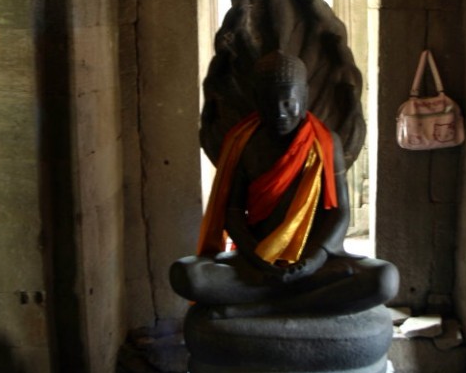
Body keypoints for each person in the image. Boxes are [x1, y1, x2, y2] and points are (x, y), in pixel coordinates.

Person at [170, 51, 398, 317]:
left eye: (288, 103)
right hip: (257, 261)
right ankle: (300, 300)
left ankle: (261, 307)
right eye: (269, 104)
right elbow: (231, 213)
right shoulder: (244, 143)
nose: (279, 113)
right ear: (256, 100)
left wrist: (314, 260)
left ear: (304, 96)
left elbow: (339, 211)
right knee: (186, 274)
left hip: (313, 260)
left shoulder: (325, 143)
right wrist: (256, 259)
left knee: (384, 279)